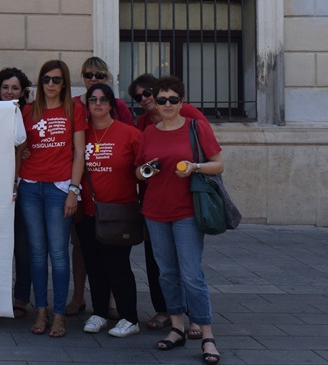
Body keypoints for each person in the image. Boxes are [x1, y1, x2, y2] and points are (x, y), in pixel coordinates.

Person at [135, 76, 222, 365]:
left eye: (173, 100)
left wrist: (195, 167)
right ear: (155, 103)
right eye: (162, 100)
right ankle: (176, 327)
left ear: (182, 102)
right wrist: (146, 170)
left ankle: (206, 334)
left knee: (191, 275)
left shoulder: (196, 127)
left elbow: (218, 163)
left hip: (187, 211)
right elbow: (138, 171)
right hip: (155, 211)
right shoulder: (148, 132)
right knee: (166, 274)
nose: (168, 105)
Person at [17, 60, 87, 338]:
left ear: (64, 83)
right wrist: (14, 183)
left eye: (56, 80)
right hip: (30, 187)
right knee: (36, 253)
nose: (50, 84)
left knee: (58, 254)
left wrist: (74, 190)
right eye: (45, 79)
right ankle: (41, 311)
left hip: (60, 189)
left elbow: (80, 153)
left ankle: (59, 315)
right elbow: (19, 148)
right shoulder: (27, 111)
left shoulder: (75, 110)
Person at [68, 57, 136, 319]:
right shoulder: (74, 106)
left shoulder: (119, 109)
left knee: (114, 256)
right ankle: (81, 298)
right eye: (88, 75)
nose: (93, 80)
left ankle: (116, 306)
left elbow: (131, 146)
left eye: (98, 75)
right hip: (81, 195)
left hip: (113, 200)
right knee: (84, 251)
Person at [0, 67, 33, 319]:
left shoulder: (28, 113)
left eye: (15, 88)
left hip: (21, 186)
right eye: (5, 87)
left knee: (22, 245)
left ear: (22, 91)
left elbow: (24, 148)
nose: (9, 92)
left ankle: (21, 296)